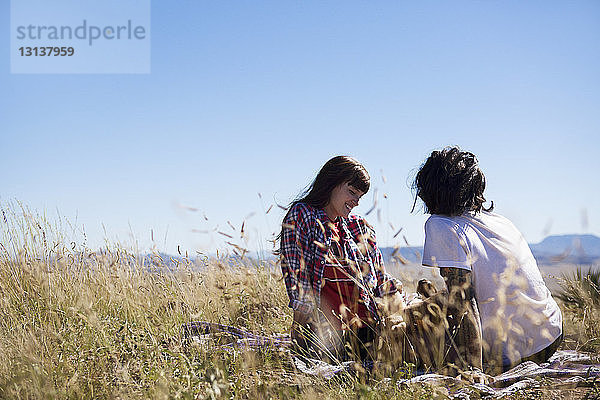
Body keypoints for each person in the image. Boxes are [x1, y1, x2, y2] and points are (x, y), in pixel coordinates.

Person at [413, 146, 563, 373]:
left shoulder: (441, 224)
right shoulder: (500, 221)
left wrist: (473, 371)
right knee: (431, 305)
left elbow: (462, 301)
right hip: (551, 333)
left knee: (411, 335)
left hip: (514, 351)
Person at [279, 156, 402, 363]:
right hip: (325, 334)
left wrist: (396, 317)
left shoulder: (359, 226)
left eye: (360, 196)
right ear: (330, 184)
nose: (355, 202)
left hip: (367, 331)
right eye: (351, 192)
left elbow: (380, 279)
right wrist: (299, 339)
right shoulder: (303, 215)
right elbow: (297, 278)